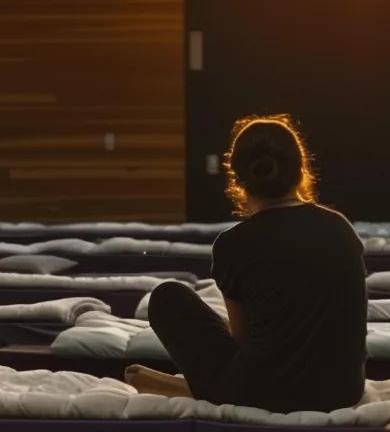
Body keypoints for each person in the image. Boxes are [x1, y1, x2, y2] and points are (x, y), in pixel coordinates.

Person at [126, 114, 368, 414]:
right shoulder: (340, 228)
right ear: (301, 170)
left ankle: (191, 389)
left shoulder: (233, 244)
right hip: (343, 392)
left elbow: (240, 340)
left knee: (167, 297)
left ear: (239, 181)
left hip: (261, 395)